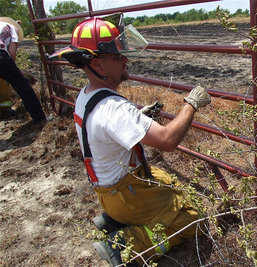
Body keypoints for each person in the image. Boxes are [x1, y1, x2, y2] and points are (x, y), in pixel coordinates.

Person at [50, 17, 211, 266]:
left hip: (109, 190)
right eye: (117, 57)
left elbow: (103, 131)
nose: (125, 59)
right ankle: (126, 245)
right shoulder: (115, 109)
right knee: (194, 218)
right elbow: (168, 140)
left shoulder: (87, 95)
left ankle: (114, 220)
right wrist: (191, 103)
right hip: (126, 195)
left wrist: (139, 118)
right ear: (97, 65)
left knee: (168, 182)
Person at [0, 17, 46, 124]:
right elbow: (12, 51)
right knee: (23, 86)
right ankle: (40, 119)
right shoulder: (12, 28)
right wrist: (13, 70)